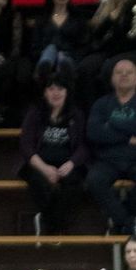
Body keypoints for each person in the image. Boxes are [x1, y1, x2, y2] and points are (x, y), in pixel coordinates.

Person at [18, 77, 88, 235]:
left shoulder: (76, 114)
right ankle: (55, 226)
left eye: (60, 89)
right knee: (38, 183)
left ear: (67, 92)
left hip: (68, 163)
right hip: (39, 162)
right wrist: (44, 168)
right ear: (45, 92)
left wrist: (72, 163)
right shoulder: (34, 113)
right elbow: (26, 145)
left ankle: (53, 224)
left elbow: (84, 145)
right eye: (51, 89)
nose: (56, 93)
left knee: (74, 184)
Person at [85, 58, 136, 236]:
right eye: (119, 72)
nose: (124, 75)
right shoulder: (101, 104)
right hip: (108, 161)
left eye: (129, 72)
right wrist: (128, 137)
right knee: (93, 180)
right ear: (112, 78)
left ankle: (124, 218)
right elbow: (94, 133)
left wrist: (111, 124)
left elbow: (106, 131)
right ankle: (128, 223)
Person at [30, 0, 86, 87]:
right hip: (44, 55)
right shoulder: (42, 18)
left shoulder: (77, 18)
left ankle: (64, 65)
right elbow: (34, 46)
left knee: (63, 58)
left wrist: (66, 55)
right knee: (50, 49)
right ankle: (44, 67)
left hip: (70, 57)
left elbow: (83, 45)